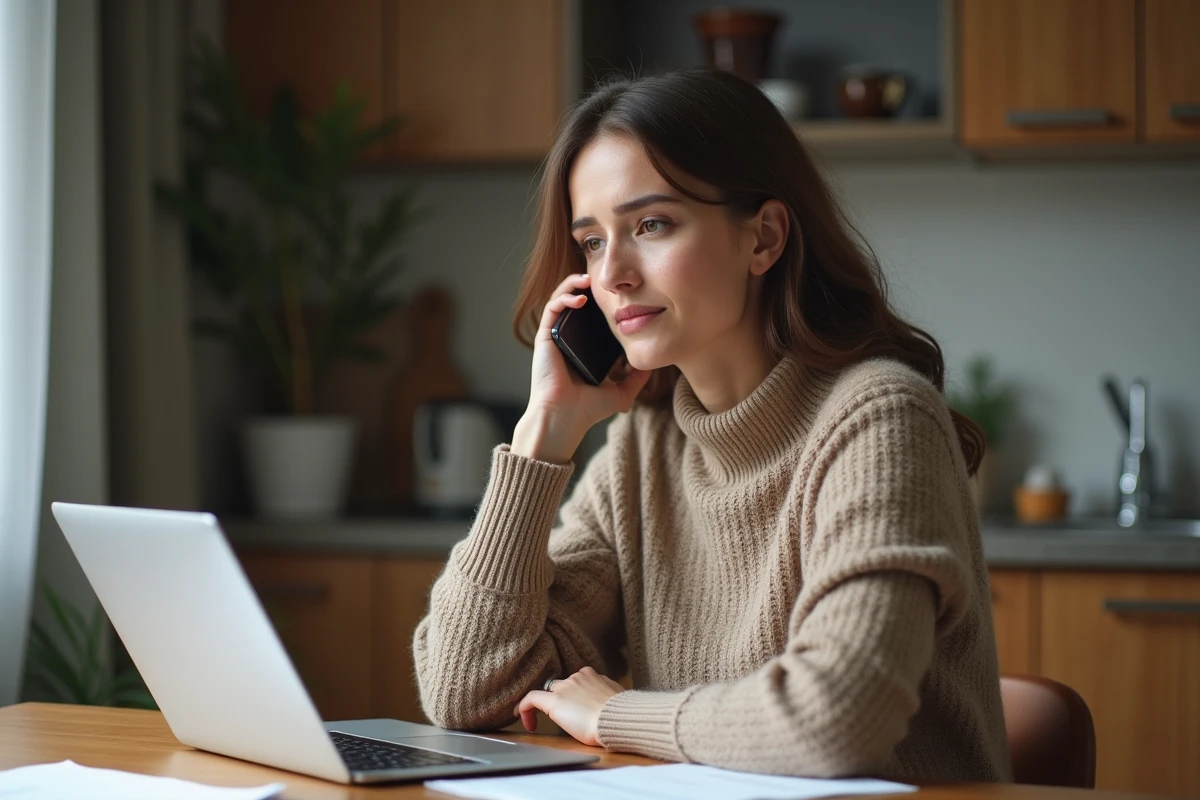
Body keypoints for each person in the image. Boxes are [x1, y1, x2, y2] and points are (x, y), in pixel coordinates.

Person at [413, 68, 1010, 782]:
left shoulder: (879, 418)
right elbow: (462, 687)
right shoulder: (642, 448)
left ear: (763, 238)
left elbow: (838, 720)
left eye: (651, 225)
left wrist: (615, 716)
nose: (614, 275)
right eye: (593, 242)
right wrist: (546, 431)